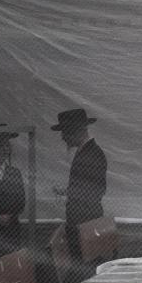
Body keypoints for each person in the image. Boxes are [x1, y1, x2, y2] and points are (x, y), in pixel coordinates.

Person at [52, 108, 107, 268]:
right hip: (82, 221)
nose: (62, 138)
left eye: (64, 133)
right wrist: (67, 191)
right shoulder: (87, 152)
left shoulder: (91, 154)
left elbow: (94, 191)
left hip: (84, 222)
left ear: (74, 131)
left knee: (85, 266)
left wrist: (71, 193)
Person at [0, 128, 26, 257]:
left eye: (7, 146)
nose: (5, 150)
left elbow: (21, 201)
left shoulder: (15, 173)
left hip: (12, 231)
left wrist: (9, 216)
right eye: (1, 146)